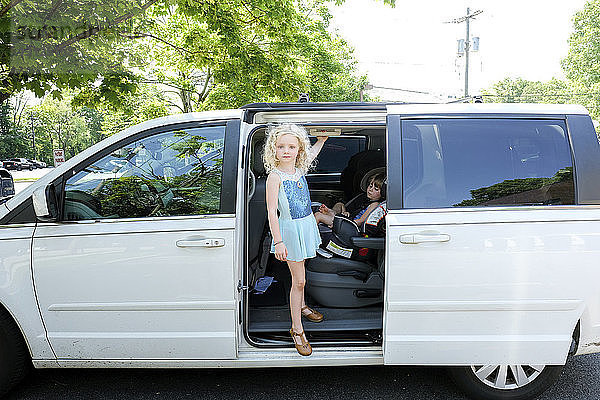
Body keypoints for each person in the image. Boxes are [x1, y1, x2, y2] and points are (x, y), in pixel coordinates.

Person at [263, 123, 328, 356]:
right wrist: (278, 241)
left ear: (299, 149)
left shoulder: (299, 170)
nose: (287, 151)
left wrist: (321, 140)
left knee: (301, 274)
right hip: (289, 232)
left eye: (292, 146)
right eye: (281, 147)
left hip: (306, 227)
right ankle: (297, 329)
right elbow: (272, 211)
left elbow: (311, 155)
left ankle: (301, 306)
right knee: (299, 280)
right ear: (274, 150)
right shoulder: (275, 176)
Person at [314, 172, 386, 229]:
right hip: (348, 219)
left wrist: (338, 224)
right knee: (339, 204)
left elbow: (360, 221)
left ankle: (308, 243)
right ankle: (332, 213)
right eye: (370, 186)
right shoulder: (364, 199)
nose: (370, 189)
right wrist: (345, 213)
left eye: (376, 189)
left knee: (318, 215)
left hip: (350, 227)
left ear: (383, 192)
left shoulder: (375, 205)